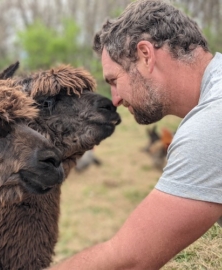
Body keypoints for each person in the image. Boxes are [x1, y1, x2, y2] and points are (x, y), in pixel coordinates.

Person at [48, 0, 222, 269]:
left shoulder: (212, 122)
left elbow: (127, 260)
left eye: (114, 81)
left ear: (145, 55)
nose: (114, 99)